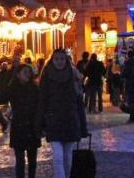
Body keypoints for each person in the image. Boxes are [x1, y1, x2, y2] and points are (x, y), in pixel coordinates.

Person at [37, 49, 82, 178]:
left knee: (68, 157)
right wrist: (40, 122)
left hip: (70, 119)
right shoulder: (46, 76)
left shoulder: (73, 75)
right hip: (54, 120)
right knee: (57, 156)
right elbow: (42, 100)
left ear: (66, 60)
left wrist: (82, 126)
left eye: (62, 59)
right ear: (52, 60)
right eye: (57, 59)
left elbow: (79, 102)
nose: (59, 62)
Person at [8, 65, 40, 178]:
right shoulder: (13, 88)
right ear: (18, 74)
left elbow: (38, 107)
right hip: (19, 126)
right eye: (24, 72)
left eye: (29, 72)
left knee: (32, 160)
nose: (28, 74)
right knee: (20, 160)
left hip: (32, 126)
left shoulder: (35, 88)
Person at [122, 49, 134, 122]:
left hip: (130, 85)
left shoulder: (127, 63)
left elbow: (124, 74)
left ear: (128, 55)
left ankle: (132, 117)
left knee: (131, 101)